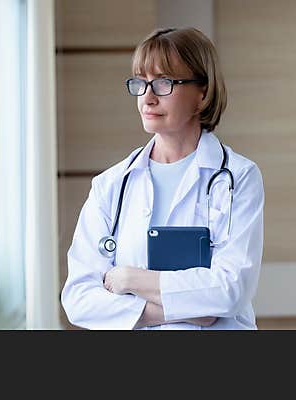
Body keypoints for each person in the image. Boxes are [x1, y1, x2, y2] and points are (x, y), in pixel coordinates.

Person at [60, 27, 264, 330]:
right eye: (140, 83)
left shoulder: (238, 177)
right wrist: (187, 309)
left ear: (202, 93)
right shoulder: (111, 185)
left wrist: (131, 279)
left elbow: (230, 289)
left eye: (164, 83)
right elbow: (78, 299)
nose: (148, 97)